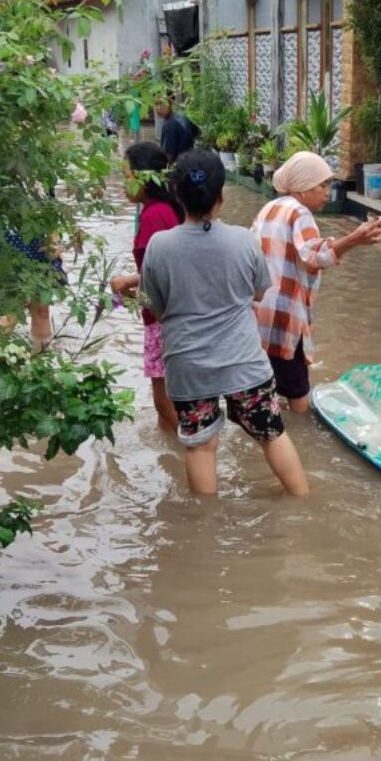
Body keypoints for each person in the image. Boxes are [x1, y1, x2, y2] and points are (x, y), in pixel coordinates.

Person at [140, 150, 309, 497]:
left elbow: (155, 308)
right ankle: (304, 502)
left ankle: (205, 531)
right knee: (271, 434)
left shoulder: (159, 245)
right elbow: (260, 292)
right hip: (243, 361)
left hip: (188, 365)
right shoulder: (244, 240)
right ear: (222, 195)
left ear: (176, 194)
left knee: (200, 446)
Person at [251, 151, 381, 413]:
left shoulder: (269, 207)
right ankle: (301, 441)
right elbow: (313, 256)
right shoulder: (300, 212)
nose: (328, 192)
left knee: (266, 384)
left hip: (259, 312)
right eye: (322, 185)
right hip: (286, 315)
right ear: (301, 187)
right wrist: (353, 239)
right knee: (298, 389)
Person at [110, 142, 182, 433]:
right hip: (172, 317)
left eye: (127, 176)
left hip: (164, 319)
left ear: (145, 178)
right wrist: (132, 281)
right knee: (170, 403)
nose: (123, 184)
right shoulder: (163, 210)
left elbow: (165, 274)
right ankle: (170, 460)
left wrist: (129, 288)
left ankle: (194, 451)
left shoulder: (154, 216)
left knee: (165, 403)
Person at [154, 94, 197, 163]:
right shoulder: (182, 116)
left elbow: (168, 156)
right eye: (156, 104)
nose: (159, 108)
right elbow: (197, 133)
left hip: (178, 167)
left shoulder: (169, 126)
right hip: (189, 162)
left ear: (170, 104)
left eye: (162, 104)